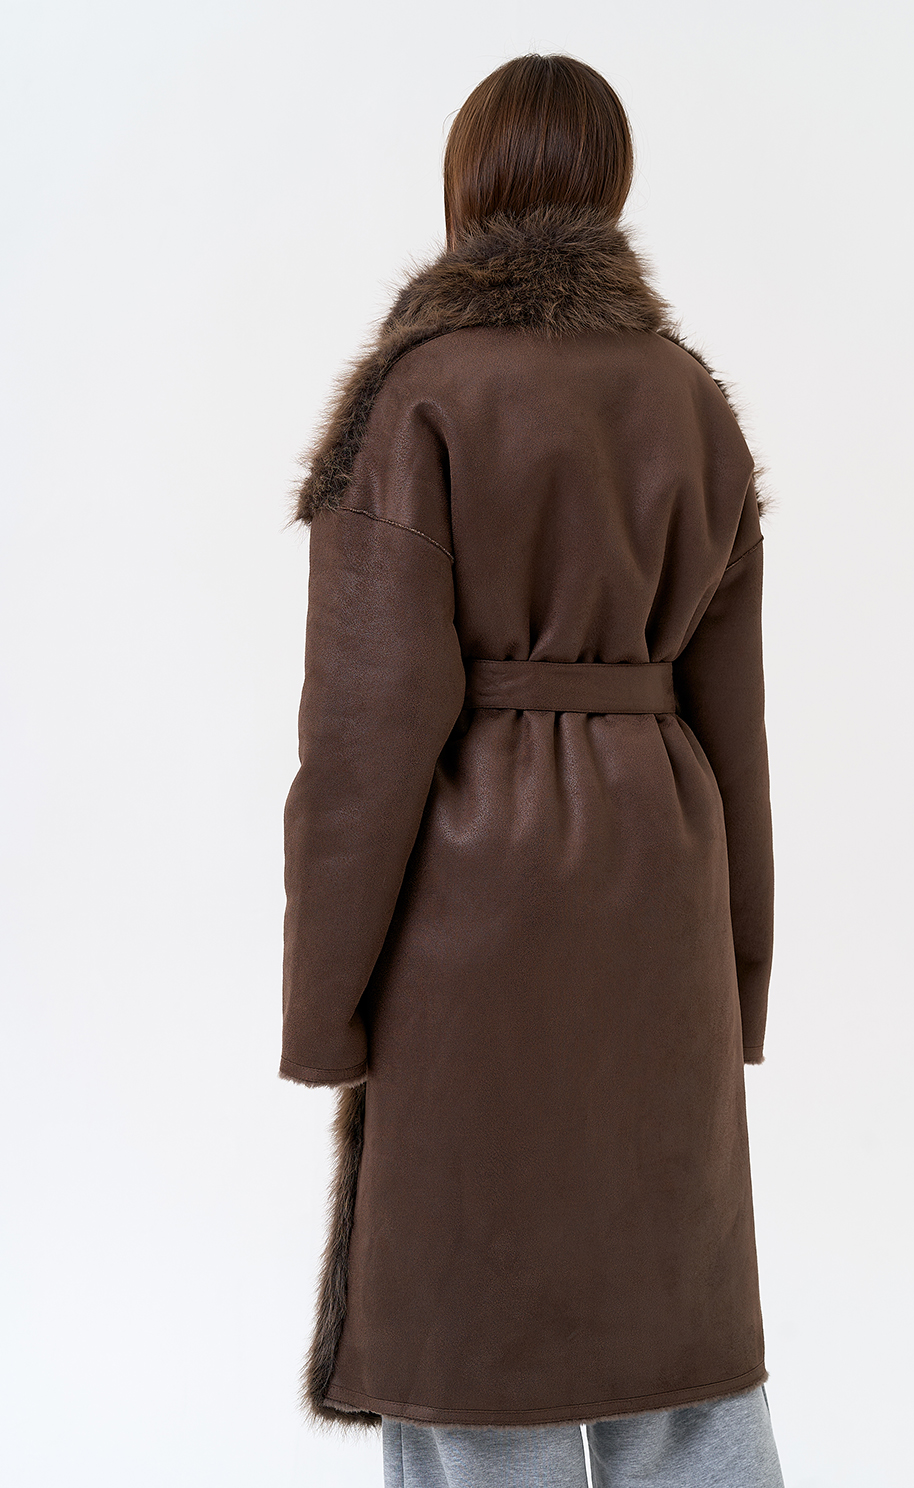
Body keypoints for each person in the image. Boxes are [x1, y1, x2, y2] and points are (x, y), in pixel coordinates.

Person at [279, 51, 785, 1488]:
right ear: (608, 188)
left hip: (472, 919)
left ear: (470, 183)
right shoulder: (692, 399)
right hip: (662, 896)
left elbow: (362, 740)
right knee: (678, 1333)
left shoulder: (418, 396)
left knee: (471, 1333)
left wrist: (323, 1008)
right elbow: (736, 726)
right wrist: (737, 978)